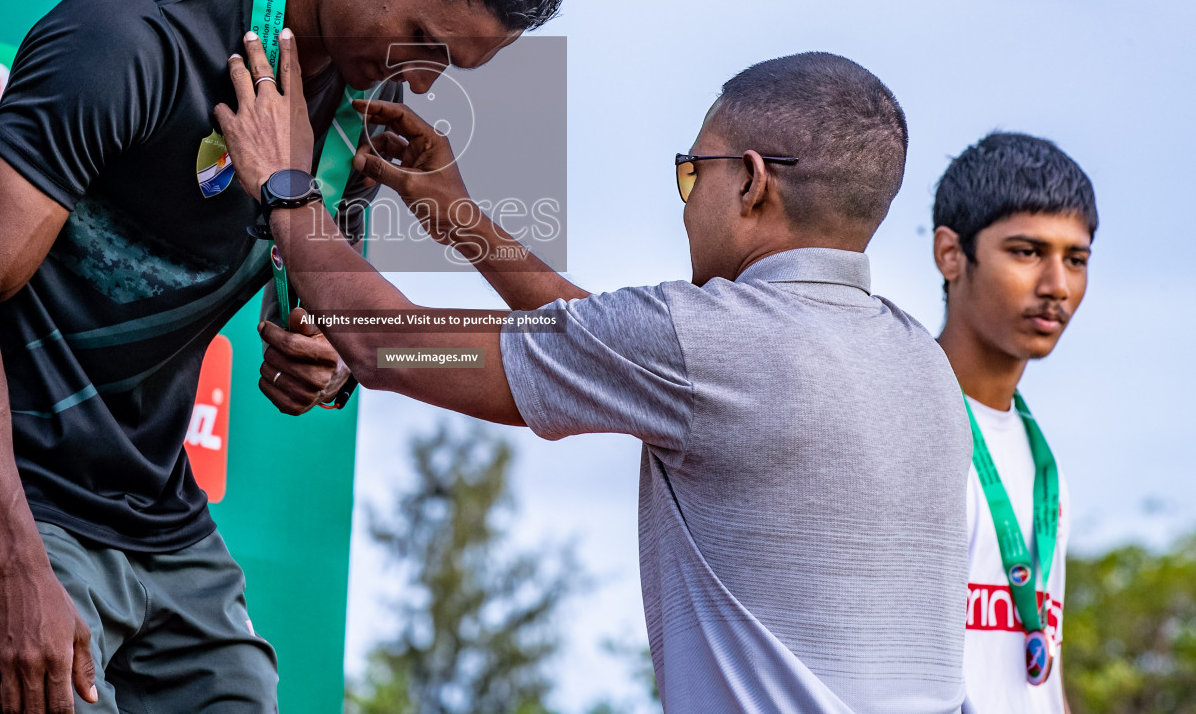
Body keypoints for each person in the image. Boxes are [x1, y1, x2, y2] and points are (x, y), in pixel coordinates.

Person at [0, 0, 574, 714]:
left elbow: (359, 333)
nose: (419, 79)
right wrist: (11, 566)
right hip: (2, 492)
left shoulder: (352, 112)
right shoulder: (130, 37)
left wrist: (325, 362)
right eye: (423, 41)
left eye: (449, 67)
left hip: (155, 516)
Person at [214, 46, 973, 712]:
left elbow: (404, 349)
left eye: (691, 172)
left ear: (749, 183)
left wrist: (287, 187)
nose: (685, 201)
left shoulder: (704, 341)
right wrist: (466, 225)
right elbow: (603, 352)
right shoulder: (920, 364)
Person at [932, 133, 1097, 713]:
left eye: (1075, 259)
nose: (1057, 286)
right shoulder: (905, 427)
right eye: (1027, 252)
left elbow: (1036, 673)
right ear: (951, 254)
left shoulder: (1038, 455)